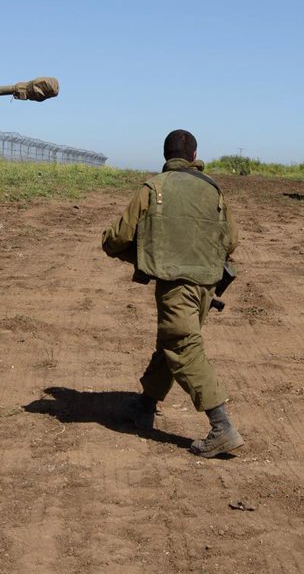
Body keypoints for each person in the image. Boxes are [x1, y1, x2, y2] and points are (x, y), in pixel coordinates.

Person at [101, 129, 243, 457]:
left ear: (166, 156)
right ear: (194, 157)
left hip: (175, 285)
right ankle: (145, 406)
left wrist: (125, 250)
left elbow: (119, 236)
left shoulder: (154, 188)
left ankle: (221, 425)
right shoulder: (214, 190)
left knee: (181, 345)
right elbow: (231, 240)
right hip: (207, 284)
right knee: (172, 340)